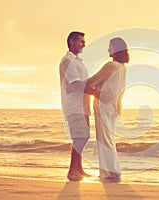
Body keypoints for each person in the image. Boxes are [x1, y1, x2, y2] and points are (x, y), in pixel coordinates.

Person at [86, 37, 129, 182]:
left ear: (116, 48)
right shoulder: (122, 68)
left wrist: (81, 83)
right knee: (109, 140)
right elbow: (121, 91)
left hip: (103, 107)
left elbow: (92, 81)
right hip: (113, 108)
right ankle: (112, 171)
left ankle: (108, 173)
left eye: (110, 46)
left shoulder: (111, 66)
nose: (108, 49)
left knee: (104, 140)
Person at [59, 31, 99, 181]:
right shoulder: (67, 61)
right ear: (72, 42)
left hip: (83, 106)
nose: (84, 44)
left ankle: (79, 168)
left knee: (84, 136)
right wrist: (97, 94)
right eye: (81, 41)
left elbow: (85, 82)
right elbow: (76, 84)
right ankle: (72, 171)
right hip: (74, 106)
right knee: (80, 137)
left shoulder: (77, 61)